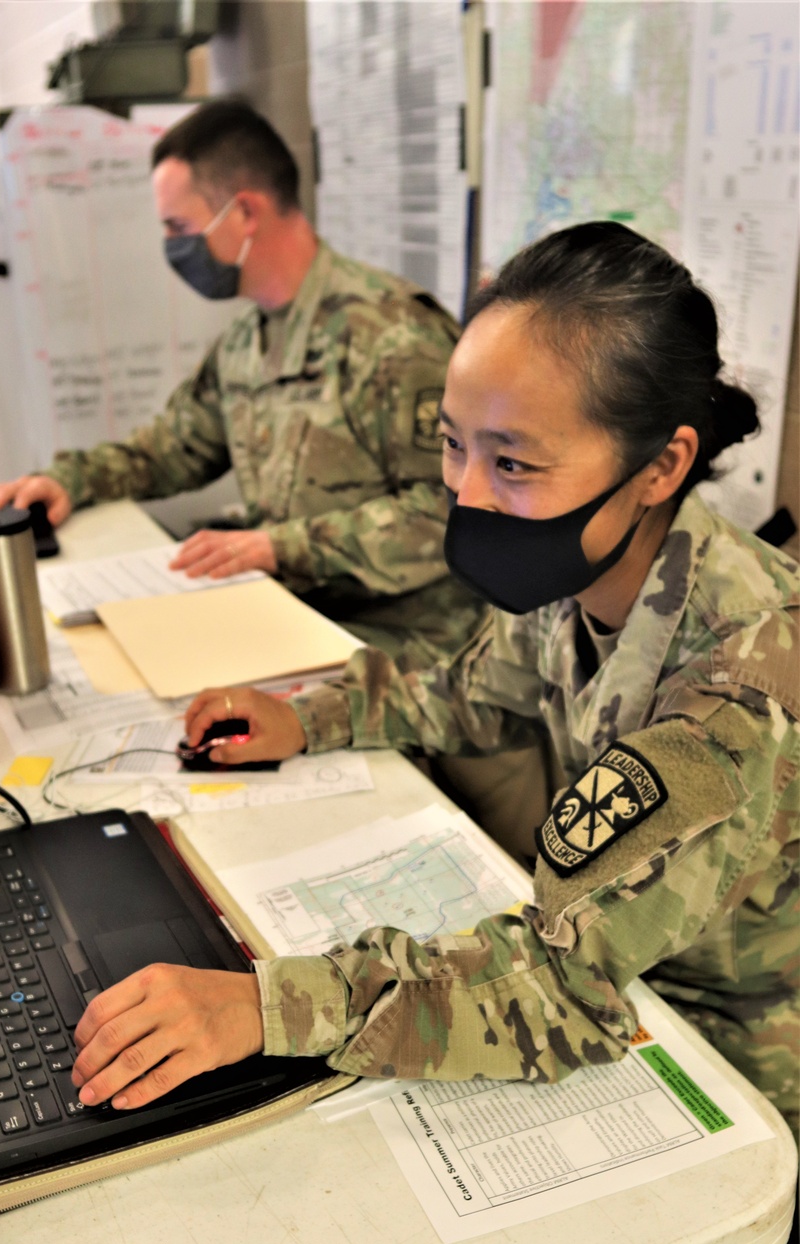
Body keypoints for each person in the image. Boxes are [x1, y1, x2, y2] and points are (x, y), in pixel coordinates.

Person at [66, 222, 798, 1136]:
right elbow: (470, 690)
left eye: (514, 463)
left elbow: (562, 982)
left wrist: (265, 1009)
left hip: (740, 1051)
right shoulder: (579, 564)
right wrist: (314, 720)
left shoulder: (747, 682)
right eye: (455, 447)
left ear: (660, 467)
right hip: (636, 969)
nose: (469, 494)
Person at [0, 99, 486, 676]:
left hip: (414, 659)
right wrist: (66, 480)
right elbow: (173, 448)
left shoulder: (392, 338)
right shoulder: (248, 340)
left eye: (179, 228)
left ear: (244, 212)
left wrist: (281, 548)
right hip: (303, 626)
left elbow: (455, 513)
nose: (172, 247)